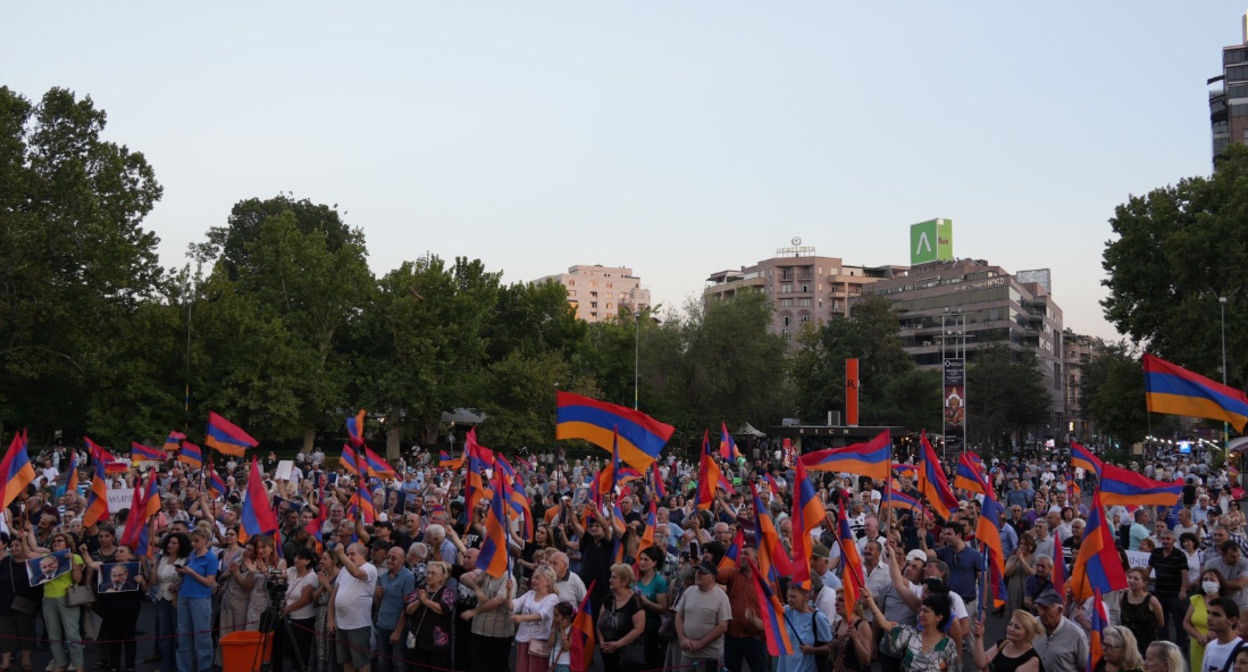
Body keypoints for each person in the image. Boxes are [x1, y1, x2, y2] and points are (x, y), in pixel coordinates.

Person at [81, 543, 146, 672]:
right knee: (113, 636)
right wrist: (84, 552)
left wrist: (142, 581)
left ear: (130, 555)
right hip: (109, 606)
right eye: (117, 551)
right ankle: (115, 665)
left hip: (129, 606)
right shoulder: (107, 565)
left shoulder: (136, 567)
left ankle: (130, 666)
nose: (118, 553)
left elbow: (146, 589)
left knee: (129, 636)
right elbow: (91, 564)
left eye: (122, 551)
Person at [864, 587, 960, 672]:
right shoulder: (911, 634)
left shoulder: (948, 644)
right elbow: (883, 623)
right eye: (921, 610)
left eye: (926, 611)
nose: (921, 614)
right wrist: (869, 600)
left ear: (939, 617)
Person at [329, 543, 378, 672]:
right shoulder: (344, 570)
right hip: (341, 624)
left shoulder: (370, 568)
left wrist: (341, 555)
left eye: (352, 554)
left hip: (358, 624)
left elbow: (356, 573)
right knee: (346, 660)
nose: (349, 557)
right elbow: (333, 596)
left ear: (363, 555)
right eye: (348, 554)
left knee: (361, 661)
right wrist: (330, 619)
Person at [676, 560, 731, 672]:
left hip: (709, 656)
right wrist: (682, 639)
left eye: (702, 573)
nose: (697, 574)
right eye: (697, 571)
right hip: (687, 652)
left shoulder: (721, 597)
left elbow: (723, 626)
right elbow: (679, 616)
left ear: (712, 578)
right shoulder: (689, 591)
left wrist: (700, 643)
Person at [176, 527, 218, 672]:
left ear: (205, 540)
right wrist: (182, 572)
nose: (193, 544)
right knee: (183, 634)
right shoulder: (192, 554)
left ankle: (205, 668)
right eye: (192, 541)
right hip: (184, 596)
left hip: (200, 599)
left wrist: (191, 571)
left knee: (202, 636)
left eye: (196, 541)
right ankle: (183, 668)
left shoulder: (211, 558)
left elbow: (208, 582)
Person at [0, 535, 42, 672]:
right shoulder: (5, 562)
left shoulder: (33, 562)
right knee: (6, 633)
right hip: (4, 604)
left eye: (18, 545)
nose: (14, 548)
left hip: (27, 604)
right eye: (12, 545)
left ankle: (26, 660)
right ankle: (5, 663)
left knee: (26, 632)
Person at [405, 560, 454, 672]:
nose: (429, 576)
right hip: (419, 641)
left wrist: (426, 601)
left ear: (442, 577)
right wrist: (419, 601)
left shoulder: (447, 591)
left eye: (433, 573)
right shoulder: (420, 589)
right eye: (428, 572)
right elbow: (408, 610)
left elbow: (444, 609)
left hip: (438, 644)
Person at [599, 564, 647, 672]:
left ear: (625, 582)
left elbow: (639, 628)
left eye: (614, 577)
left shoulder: (635, 601)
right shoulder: (608, 598)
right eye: (611, 577)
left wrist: (617, 644)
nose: (610, 580)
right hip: (607, 652)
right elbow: (600, 622)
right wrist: (602, 642)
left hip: (627, 655)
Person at [511, 565, 560, 672]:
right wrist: (508, 593)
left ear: (547, 581)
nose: (533, 580)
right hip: (524, 640)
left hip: (539, 643)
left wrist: (521, 618)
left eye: (537, 578)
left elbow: (541, 615)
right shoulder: (529, 594)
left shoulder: (553, 598)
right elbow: (512, 606)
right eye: (533, 577)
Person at [776, 580, 832, 672]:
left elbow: (831, 648)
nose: (789, 599)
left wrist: (812, 650)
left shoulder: (818, 618)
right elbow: (766, 626)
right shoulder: (788, 611)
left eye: (793, 596)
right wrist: (753, 618)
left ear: (806, 597)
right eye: (788, 596)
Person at [1151, 529, 1191, 654]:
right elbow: (1147, 569)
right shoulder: (1156, 552)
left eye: (1168, 539)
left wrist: (1183, 591)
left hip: (1175, 594)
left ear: (1174, 541)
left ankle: (1181, 649)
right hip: (1159, 593)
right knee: (1161, 622)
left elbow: (1184, 574)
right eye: (1163, 539)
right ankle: (1164, 647)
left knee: (1179, 622)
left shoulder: (1180, 554)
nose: (1165, 541)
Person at [374, 546, 414, 672]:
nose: (389, 560)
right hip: (382, 625)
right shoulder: (384, 576)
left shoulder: (408, 577)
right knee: (383, 662)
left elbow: (407, 606)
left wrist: (398, 631)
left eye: (393, 558)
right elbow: (377, 605)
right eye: (388, 557)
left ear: (403, 560)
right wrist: (378, 596)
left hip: (397, 627)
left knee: (400, 664)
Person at [1032, 588, 1090, 672]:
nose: (1040, 613)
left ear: (1060, 610)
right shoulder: (1033, 624)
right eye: (1039, 607)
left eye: (1046, 608)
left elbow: (1084, 666)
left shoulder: (1076, 634)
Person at [1184, 568, 1230, 672]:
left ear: (1220, 583)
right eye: (1205, 579)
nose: (1208, 582)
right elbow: (1186, 623)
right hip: (1197, 644)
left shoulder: (1226, 603)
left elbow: (1232, 626)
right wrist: (1199, 637)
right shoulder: (1196, 599)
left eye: (1212, 580)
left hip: (1218, 645)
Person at [283, 546, 320, 672]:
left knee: (302, 650)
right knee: (291, 650)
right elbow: (279, 576)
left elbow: (306, 599)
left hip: (304, 620)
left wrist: (286, 610)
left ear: (308, 561)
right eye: (296, 557)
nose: (296, 560)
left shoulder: (311, 577)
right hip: (289, 619)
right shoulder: (291, 571)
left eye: (301, 558)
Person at [971, 609, 1044, 672]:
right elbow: (981, 664)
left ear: (1028, 634)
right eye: (1010, 624)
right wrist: (979, 638)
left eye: (1017, 627)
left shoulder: (1032, 660)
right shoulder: (1004, 643)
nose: (1010, 629)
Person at [1121, 567, 1165, 656]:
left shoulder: (1152, 601)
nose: (1131, 580)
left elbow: (1160, 624)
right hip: (1128, 645)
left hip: (1146, 646)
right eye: (1130, 577)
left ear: (1144, 583)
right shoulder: (1122, 597)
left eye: (1136, 579)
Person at [827, 588, 873, 672]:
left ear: (853, 605)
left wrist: (855, 639)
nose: (836, 603)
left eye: (841, 600)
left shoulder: (862, 625)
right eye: (836, 599)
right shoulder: (838, 623)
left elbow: (866, 660)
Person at [1200, 597, 1243, 672]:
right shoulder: (1210, 646)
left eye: (1216, 614)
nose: (1209, 618)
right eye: (1208, 613)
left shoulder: (1243, 649)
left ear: (1232, 620)